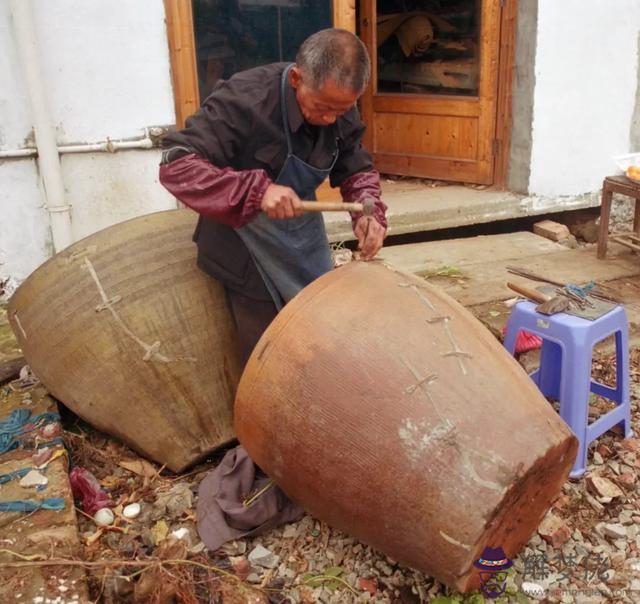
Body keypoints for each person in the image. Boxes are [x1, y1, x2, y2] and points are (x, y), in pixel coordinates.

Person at [159, 28, 388, 365]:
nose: (330, 119)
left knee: (320, 330)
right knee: (269, 353)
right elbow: (175, 164)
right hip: (243, 244)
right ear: (297, 78)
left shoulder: (339, 105)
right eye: (321, 108)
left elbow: (354, 164)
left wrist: (369, 211)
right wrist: (256, 190)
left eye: (340, 111)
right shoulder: (245, 99)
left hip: (302, 237)